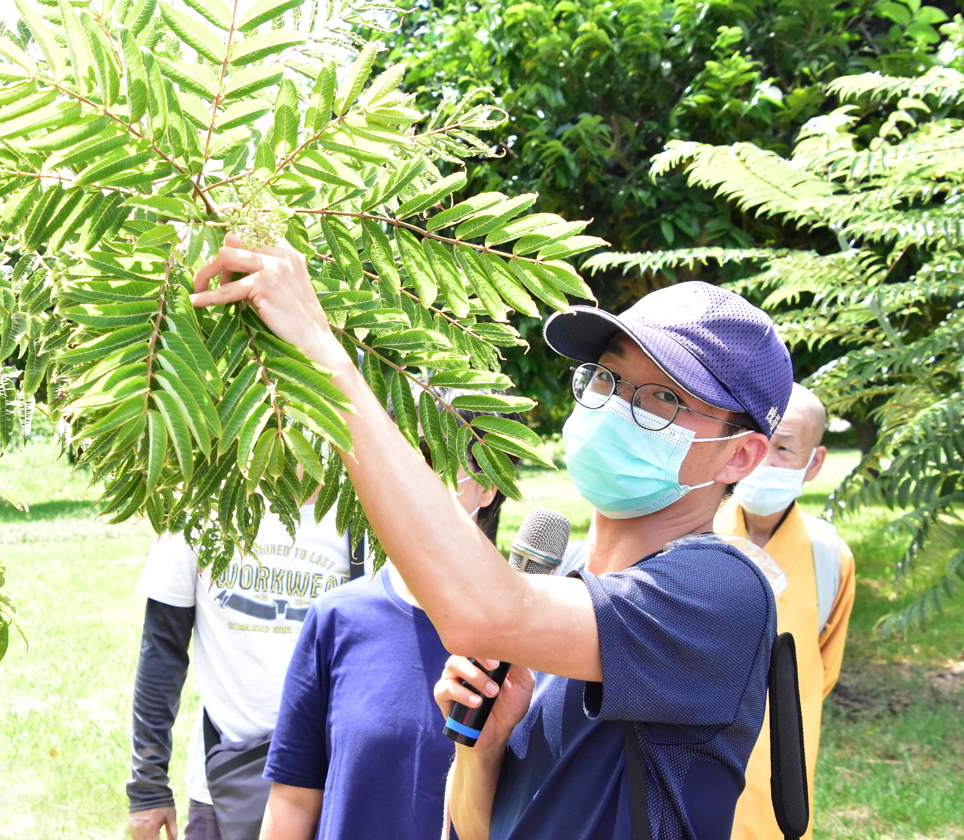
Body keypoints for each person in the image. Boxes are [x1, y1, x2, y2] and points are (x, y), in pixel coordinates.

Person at [188, 234, 794, 840]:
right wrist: (484, 748)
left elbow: (484, 611)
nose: (614, 407)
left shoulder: (720, 594)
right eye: (608, 377)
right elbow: (476, 829)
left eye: (663, 397)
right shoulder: (563, 591)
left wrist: (324, 351)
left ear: (739, 456)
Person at [260, 389, 519, 840]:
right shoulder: (335, 620)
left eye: (435, 455)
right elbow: (294, 798)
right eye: (403, 455)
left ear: (488, 484)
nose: (415, 475)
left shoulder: (536, 640)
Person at [126, 502, 352, 840]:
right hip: (224, 787)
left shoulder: (360, 507)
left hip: (332, 787)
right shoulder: (199, 503)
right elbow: (162, 653)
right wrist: (148, 785)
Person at [718, 383, 856, 840]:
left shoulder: (830, 557)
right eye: (757, 441)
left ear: (813, 462)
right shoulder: (695, 533)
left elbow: (823, 673)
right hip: (695, 770)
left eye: (783, 448)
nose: (764, 461)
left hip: (780, 781)